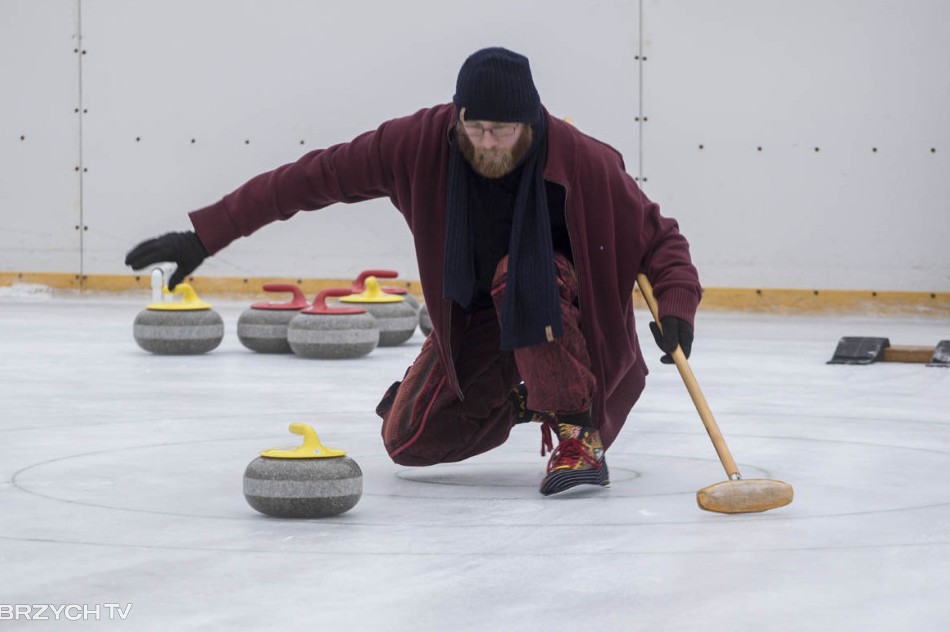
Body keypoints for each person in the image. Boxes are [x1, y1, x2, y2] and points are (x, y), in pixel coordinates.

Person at [126, 47, 701, 495]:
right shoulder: (415, 144)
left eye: (503, 132)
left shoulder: (584, 161)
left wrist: (677, 308)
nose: (488, 143)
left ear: (530, 123)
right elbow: (308, 179)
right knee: (410, 441)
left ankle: (576, 434)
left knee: (519, 273)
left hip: (557, 308)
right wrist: (205, 234)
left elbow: (661, 240)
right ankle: (535, 395)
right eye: (475, 128)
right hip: (476, 312)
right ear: (458, 115)